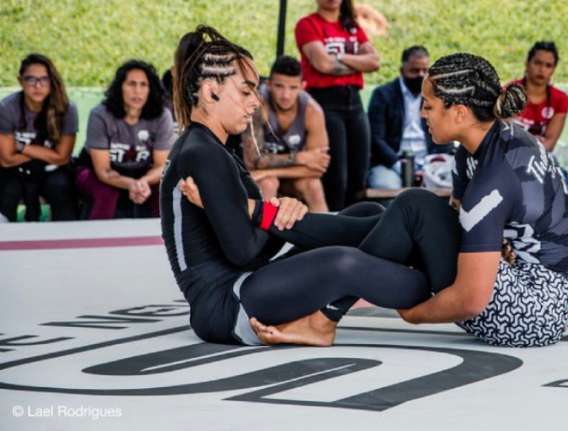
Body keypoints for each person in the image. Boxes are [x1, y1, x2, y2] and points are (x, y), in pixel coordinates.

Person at [250, 53, 568, 348]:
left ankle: (322, 317)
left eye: (429, 105)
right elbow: (454, 222)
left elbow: (471, 299)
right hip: (528, 289)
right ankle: (265, 222)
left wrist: (416, 315)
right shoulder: (487, 142)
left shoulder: (492, 178)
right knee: (388, 220)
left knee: (412, 207)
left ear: (460, 113)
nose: (422, 113)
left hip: (531, 314)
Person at [160, 25, 432, 347]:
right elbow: (243, 252)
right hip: (226, 306)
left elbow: (252, 236)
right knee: (344, 262)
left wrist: (271, 215)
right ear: (210, 92)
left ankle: (405, 240)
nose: (256, 103)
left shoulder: (217, 146)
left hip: (247, 283)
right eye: (246, 92)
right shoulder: (200, 152)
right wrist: (274, 212)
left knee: (368, 212)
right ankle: (430, 279)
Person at [295, 0, 380, 210]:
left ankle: (357, 228)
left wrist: (339, 58)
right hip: (325, 102)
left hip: (353, 102)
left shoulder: (351, 26)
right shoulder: (307, 25)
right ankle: (335, 229)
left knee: (359, 172)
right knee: (336, 176)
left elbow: (374, 61)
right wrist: (355, 63)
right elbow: (322, 64)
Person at [76, 60, 175, 219]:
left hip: (143, 172)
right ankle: (97, 240)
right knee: (106, 194)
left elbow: (161, 166)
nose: (138, 91)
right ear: (120, 87)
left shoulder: (162, 116)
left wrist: (143, 182)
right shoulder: (100, 115)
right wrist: (132, 184)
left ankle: (161, 241)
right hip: (97, 171)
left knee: (164, 190)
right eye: (131, 84)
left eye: (144, 85)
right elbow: (103, 171)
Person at [241, 55, 330, 212]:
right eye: (279, 86)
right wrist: (301, 158)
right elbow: (253, 161)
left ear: (303, 86)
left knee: (313, 185)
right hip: (268, 177)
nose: (286, 95)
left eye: (293, 88)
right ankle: (264, 234)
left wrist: (266, 171)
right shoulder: (258, 106)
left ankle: (326, 235)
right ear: (269, 84)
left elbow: (318, 168)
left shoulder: (312, 111)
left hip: (289, 175)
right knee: (268, 183)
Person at [0, 54, 79, 222]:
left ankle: (63, 242)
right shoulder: (7, 108)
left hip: (52, 170)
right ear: (20, 81)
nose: (38, 85)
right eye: (31, 80)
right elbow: (6, 159)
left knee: (61, 188)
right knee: (7, 191)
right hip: (14, 170)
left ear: (52, 81)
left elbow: (63, 158)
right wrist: (47, 152)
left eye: (44, 79)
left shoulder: (66, 108)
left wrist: (21, 147)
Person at [367, 45, 454, 189]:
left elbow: (447, 134)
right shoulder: (383, 95)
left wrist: (434, 163)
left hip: (431, 161)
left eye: (425, 71)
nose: (420, 75)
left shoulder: (438, 96)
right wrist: (398, 165)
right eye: (414, 71)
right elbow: (376, 139)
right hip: (391, 162)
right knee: (387, 186)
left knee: (454, 182)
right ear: (402, 70)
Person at [503, 41, 568, 201]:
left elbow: (550, 141)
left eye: (548, 65)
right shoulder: (509, 92)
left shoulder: (560, 99)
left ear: (553, 69)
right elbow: (503, 135)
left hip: (542, 157)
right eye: (537, 63)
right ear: (527, 63)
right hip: (509, 158)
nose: (542, 69)